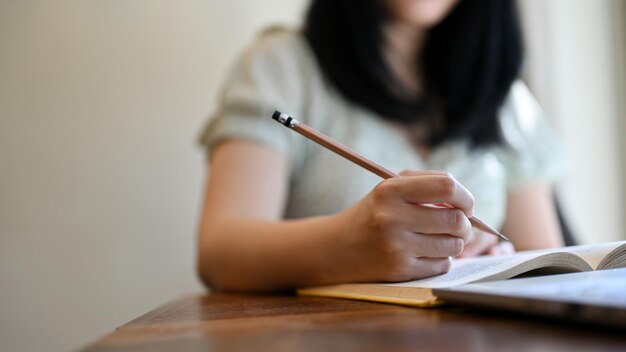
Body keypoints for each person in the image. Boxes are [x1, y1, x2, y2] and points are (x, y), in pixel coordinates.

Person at [197, 0, 565, 292]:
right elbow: (220, 250)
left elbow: (551, 265)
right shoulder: (281, 66)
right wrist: (343, 245)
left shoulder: (505, 99)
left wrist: (495, 258)